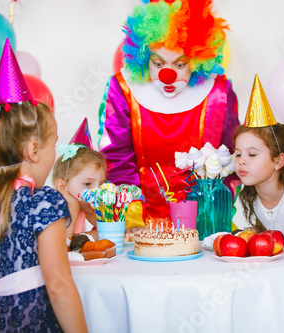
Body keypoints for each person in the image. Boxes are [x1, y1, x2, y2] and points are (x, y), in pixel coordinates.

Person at [0, 40, 88, 332]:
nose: (54, 152)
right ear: (34, 150)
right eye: (53, 144)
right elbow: (59, 285)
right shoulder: (43, 204)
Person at [98, 0, 239, 227]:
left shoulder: (219, 92)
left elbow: (231, 160)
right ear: (144, 57)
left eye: (180, 64)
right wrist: (134, 216)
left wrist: (211, 217)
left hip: (205, 223)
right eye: (158, 63)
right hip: (141, 224)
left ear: (196, 60)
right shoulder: (123, 88)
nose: (168, 75)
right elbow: (115, 157)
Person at [232, 75, 284, 238]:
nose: (241, 161)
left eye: (252, 154)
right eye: (238, 154)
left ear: (278, 160)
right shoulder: (251, 198)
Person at [52, 118, 107, 241]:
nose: (96, 191)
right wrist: (73, 206)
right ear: (62, 186)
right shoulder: (58, 207)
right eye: (87, 183)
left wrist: (90, 212)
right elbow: (64, 244)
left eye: (101, 185)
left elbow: (107, 233)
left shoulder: (86, 206)